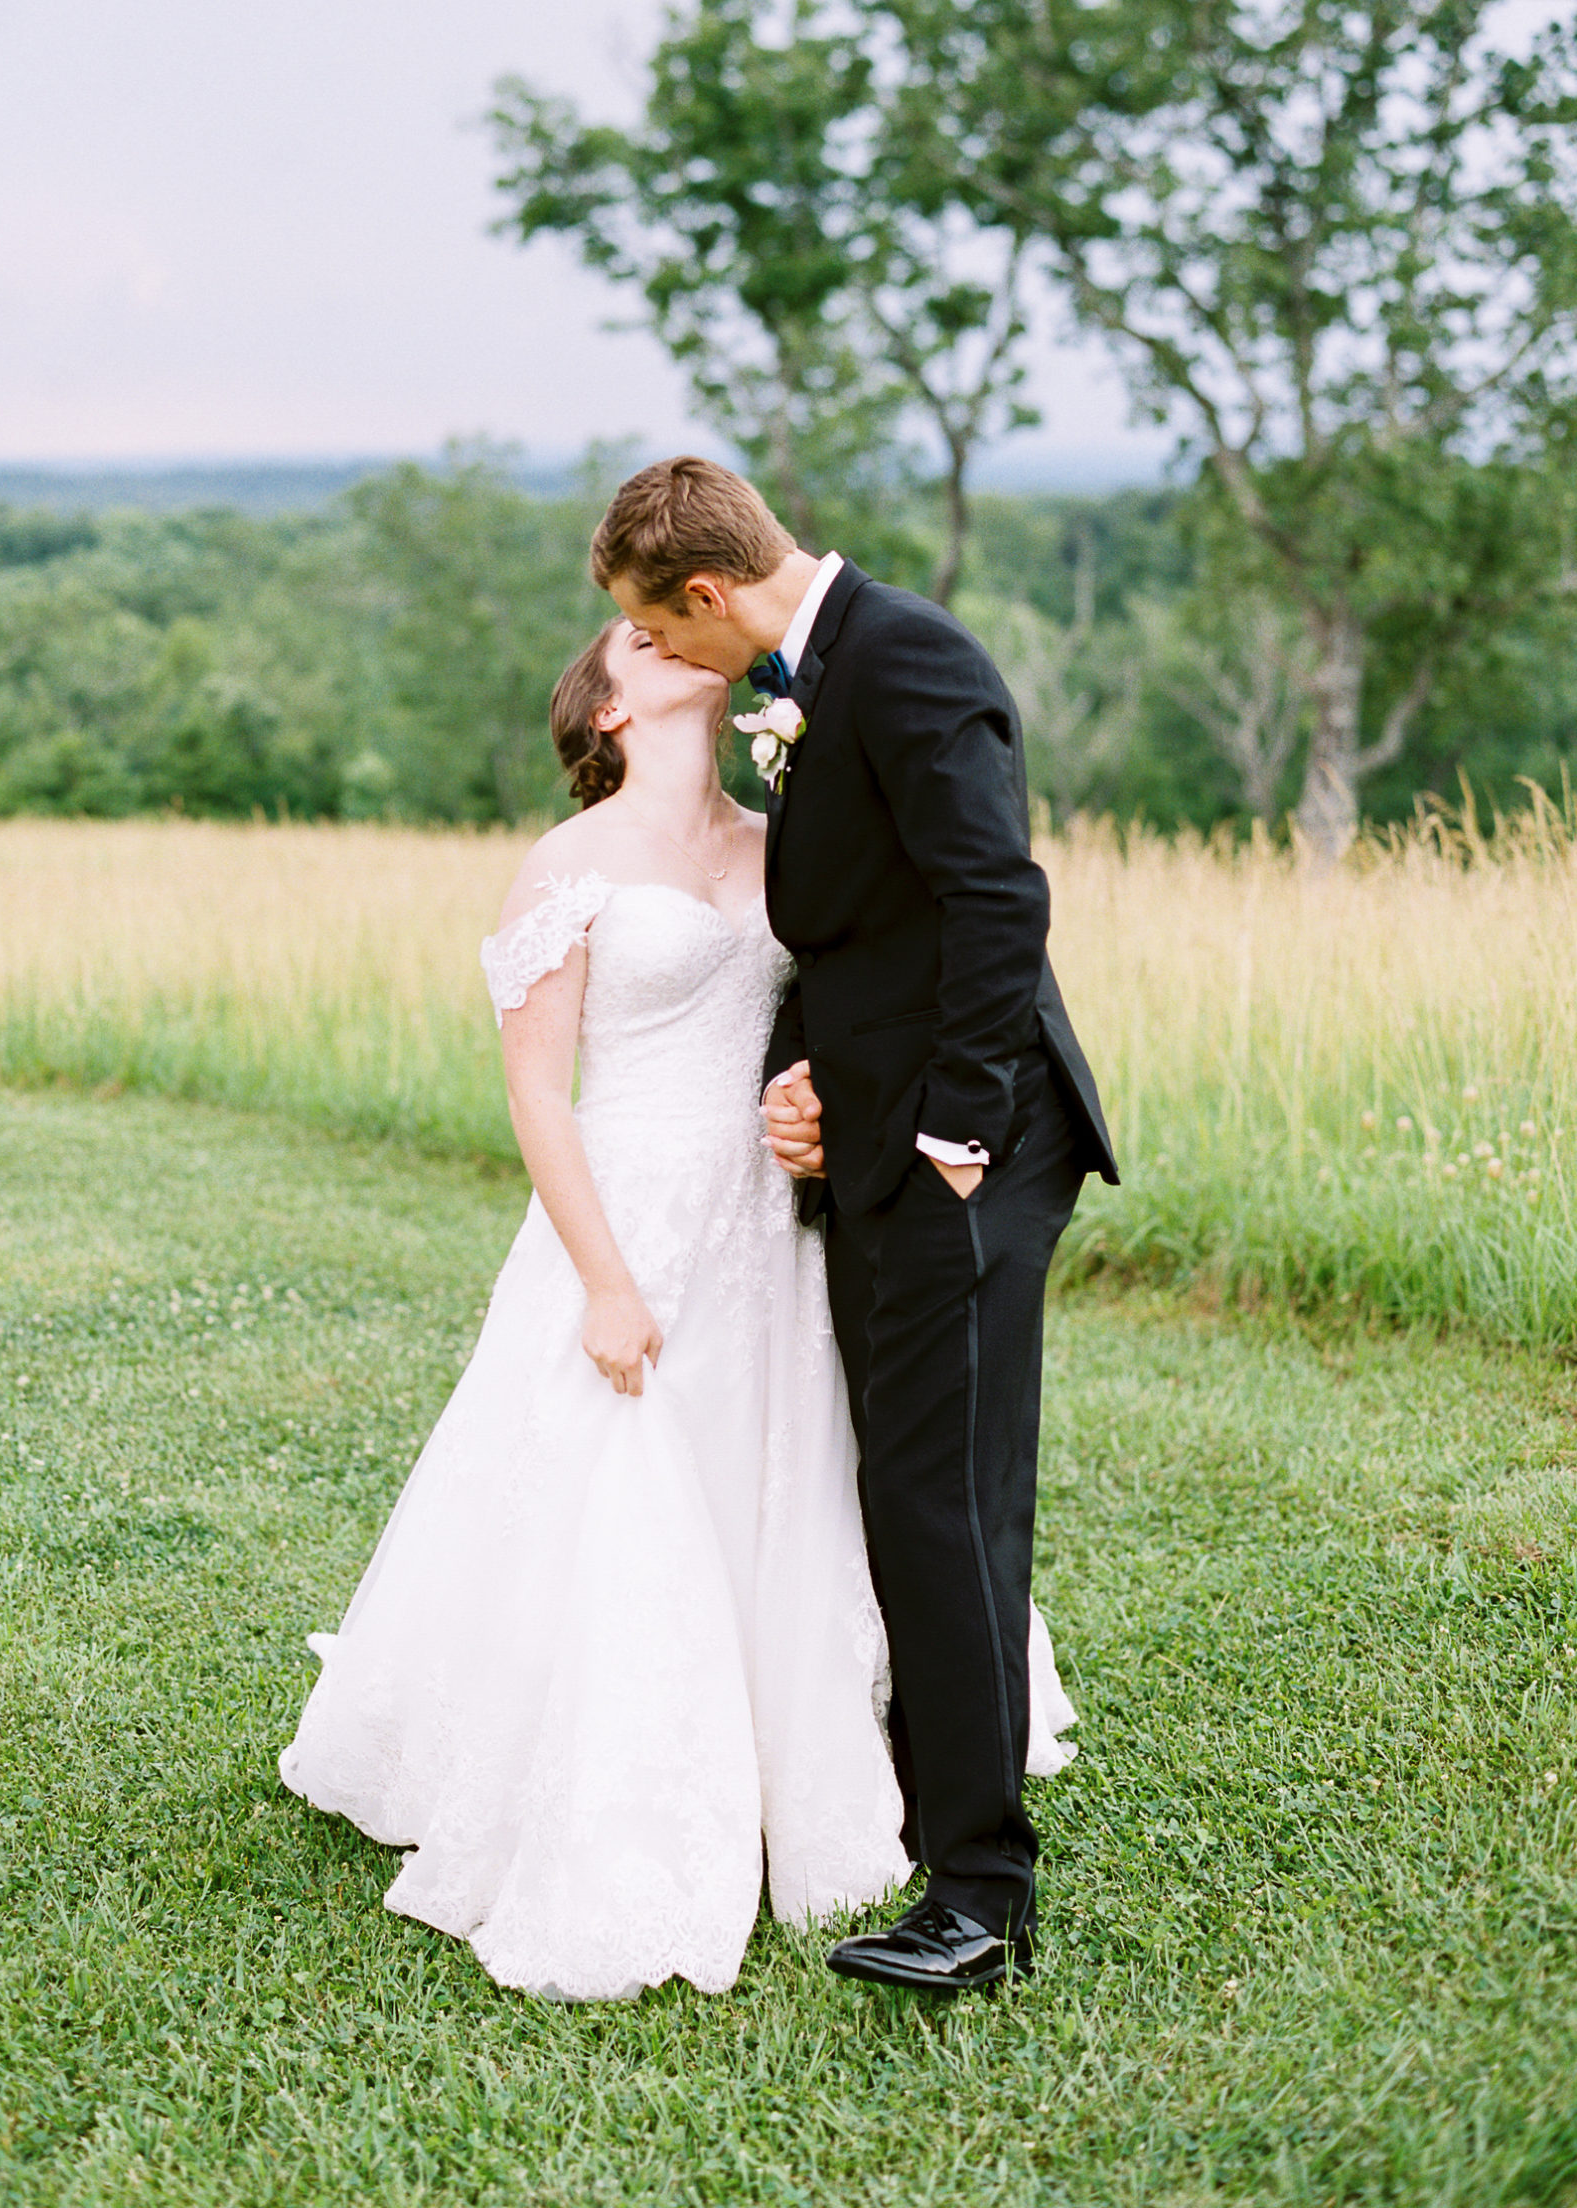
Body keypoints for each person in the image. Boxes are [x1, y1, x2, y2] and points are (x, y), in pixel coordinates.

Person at [279, 612, 1076, 2002]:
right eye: (631, 639)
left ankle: (815, 1759)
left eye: (670, 618)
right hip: (630, 1211)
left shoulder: (785, 844)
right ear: (601, 713)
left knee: (796, 1474)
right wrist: (601, 1280)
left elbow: (829, 1016)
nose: (665, 638)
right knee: (623, 1493)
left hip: (773, 1221)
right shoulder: (566, 865)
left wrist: (816, 1097)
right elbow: (536, 1091)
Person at [596, 455, 1118, 1998]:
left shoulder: (907, 656)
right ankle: (929, 1797)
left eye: (656, 629)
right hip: (875, 1141)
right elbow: (860, 934)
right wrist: (804, 1074)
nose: (669, 660)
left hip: (967, 1153)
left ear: (700, 593)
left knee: (938, 1499)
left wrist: (953, 1135)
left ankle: (979, 1896)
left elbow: (991, 902)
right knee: (915, 1488)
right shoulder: (806, 674)